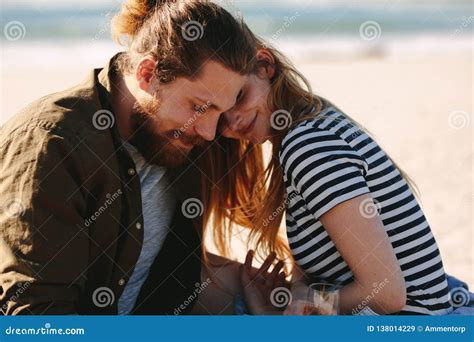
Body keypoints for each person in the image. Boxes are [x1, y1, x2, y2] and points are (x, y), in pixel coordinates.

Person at [0, 0, 255, 315]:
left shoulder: (182, 136)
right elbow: (34, 317)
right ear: (147, 74)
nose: (207, 131)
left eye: (222, 111)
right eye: (199, 107)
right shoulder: (53, 144)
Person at [197, 37, 454, 315]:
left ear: (265, 66)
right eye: (220, 117)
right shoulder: (315, 122)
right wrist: (291, 297)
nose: (233, 120)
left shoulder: (306, 145)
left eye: (239, 97)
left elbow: (388, 293)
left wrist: (304, 299)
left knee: (197, 290)